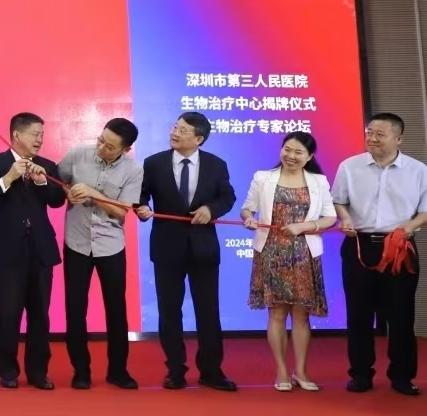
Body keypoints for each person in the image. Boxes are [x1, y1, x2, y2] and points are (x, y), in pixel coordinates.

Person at [135, 111, 237, 391]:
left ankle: (211, 371)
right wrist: (141, 207)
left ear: (199, 139)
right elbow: (140, 194)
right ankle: (175, 370)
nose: (175, 133)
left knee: (208, 312)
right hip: (167, 247)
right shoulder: (154, 163)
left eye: (182, 130)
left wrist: (210, 209)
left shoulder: (216, 164)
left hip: (203, 249)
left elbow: (227, 197)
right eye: (175, 127)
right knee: (169, 311)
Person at [331, 112, 423, 396]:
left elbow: (425, 210)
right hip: (359, 245)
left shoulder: (418, 170)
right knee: (358, 314)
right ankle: (360, 374)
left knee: (401, 314)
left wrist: (409, 228)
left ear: (398, 139)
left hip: (399, 247)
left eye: (379, 134)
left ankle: (402, 376)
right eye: (369, 132)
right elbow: (338, 201)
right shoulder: (349, 166)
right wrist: (345, 218)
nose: (371, 138)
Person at [239, 132, 336, 392]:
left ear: (309, 157)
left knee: (301, 317)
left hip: (304, 254)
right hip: (271, 252)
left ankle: (300, 371)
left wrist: (304, 226)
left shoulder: (318, 181)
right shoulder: (263, 177)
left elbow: (330, 217)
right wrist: (248, 218)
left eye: (298, 152)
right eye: (287, 149)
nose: (291, 156)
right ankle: (281, 371)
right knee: (277, 313)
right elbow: (247, 208)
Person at [0, 112, 65, 390]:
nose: (40, 139)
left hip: (40, 250)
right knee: (8, 312)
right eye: (35, 134)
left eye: (42, 135)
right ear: (17, 134)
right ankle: (8, 371)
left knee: (40, 314)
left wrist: (42, 182)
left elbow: (57, 201)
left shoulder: (47, 166)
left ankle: (38, 372)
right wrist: (8, 178)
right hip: (7, 251)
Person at [56, 118, 142, 390]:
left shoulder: (134, 170)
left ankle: (118, 371)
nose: (101, 147)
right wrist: (67, 193)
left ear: (125, 150)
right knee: (75, 309)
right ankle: (80, 371)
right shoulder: (77, 154)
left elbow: (122, 211)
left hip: (111, 245)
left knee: (116, 310)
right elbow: (58, 182)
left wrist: (93, 193)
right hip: (76, 243)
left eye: (110, 146)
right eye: (101, 140)